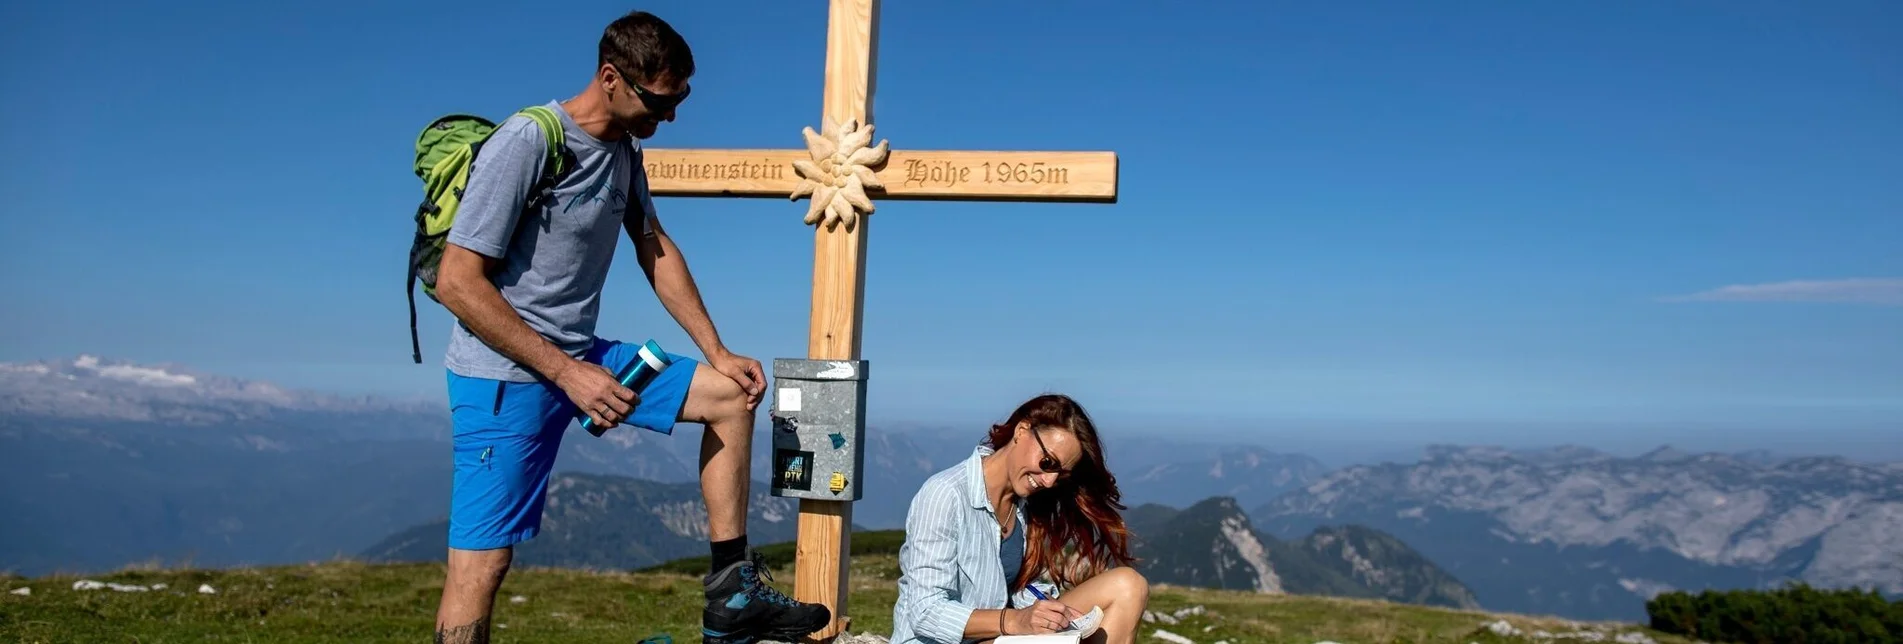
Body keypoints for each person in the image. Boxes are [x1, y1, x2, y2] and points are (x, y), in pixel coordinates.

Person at [428, 10, 829, 644]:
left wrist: (716, 350)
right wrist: (566, 373)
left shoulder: (623, 151)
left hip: (582, 356)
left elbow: (653, 245)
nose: (669, 118)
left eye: (679, 102)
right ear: (611, 77)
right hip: (503, 375)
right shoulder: (527, 141)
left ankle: (731, 593)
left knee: (731, 397)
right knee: (481, 568)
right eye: (660, 101)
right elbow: (457, 281)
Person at [892, 394, 1151, 644]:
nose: (1049, 481)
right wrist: (1015, 621)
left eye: (1061, 474)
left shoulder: (1025, 504)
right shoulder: (945, 494)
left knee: (1129, 586)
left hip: (999, 638)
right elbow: (925, 612)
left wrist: (1047, 613)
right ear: (1021, 431)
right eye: (1048, 462)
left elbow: (1019, 589)